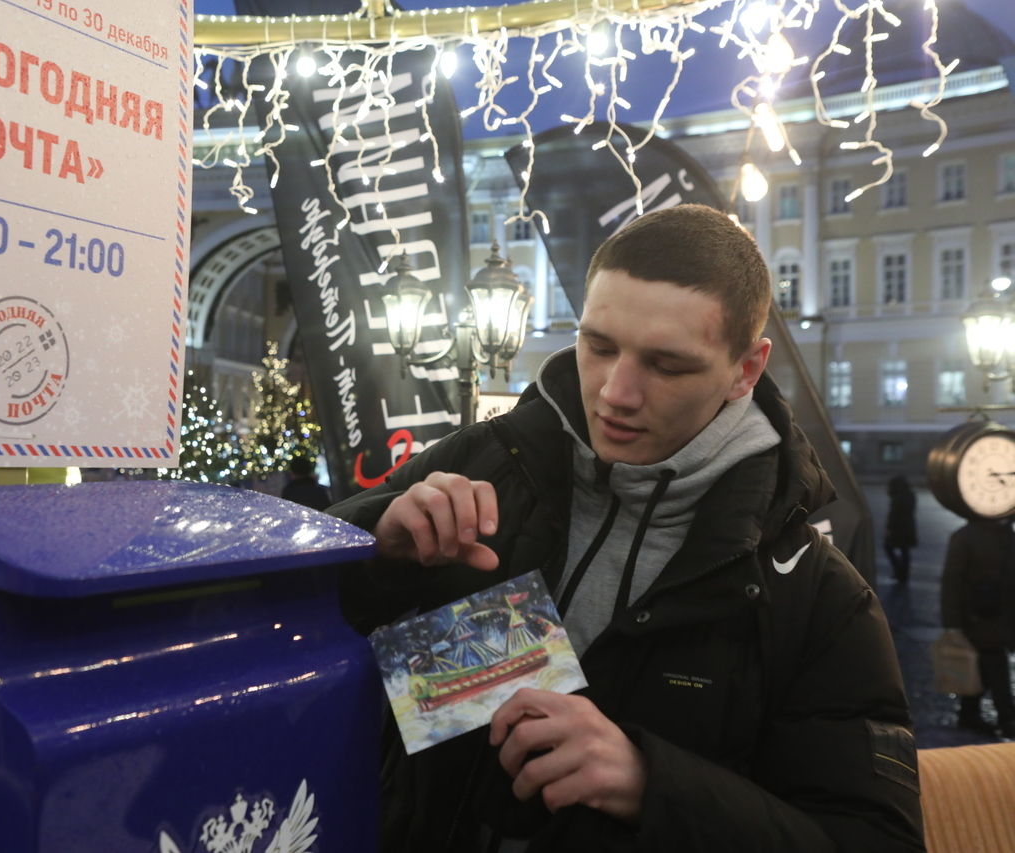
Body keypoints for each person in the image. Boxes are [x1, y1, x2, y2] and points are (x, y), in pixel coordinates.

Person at [329, 205, 923, 851]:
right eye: (598, 345)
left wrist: (653, 784)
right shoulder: (485, 460)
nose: (616, 391)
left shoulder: (814, 595)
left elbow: (873, 837)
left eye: (667, 365)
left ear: (746, 369)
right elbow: (288, 612)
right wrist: (374, 545)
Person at [941, 517, 1015, 737]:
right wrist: (952, 623)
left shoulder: (1004, 536)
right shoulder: (967, 537)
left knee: (982, 665)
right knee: (995, 662)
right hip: (977, 616)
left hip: (995, 615)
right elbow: (951, 583)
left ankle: (969, 713)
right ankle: (1006, 716)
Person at [885, 475, 918, 583]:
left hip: (898, 529)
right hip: (908, 527)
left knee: (888, 547)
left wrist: (889, 529)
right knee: (905, 551)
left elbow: (893, 515)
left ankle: (899, 571)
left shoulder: (897, 498)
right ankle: (903, 573)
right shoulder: (910, 496)